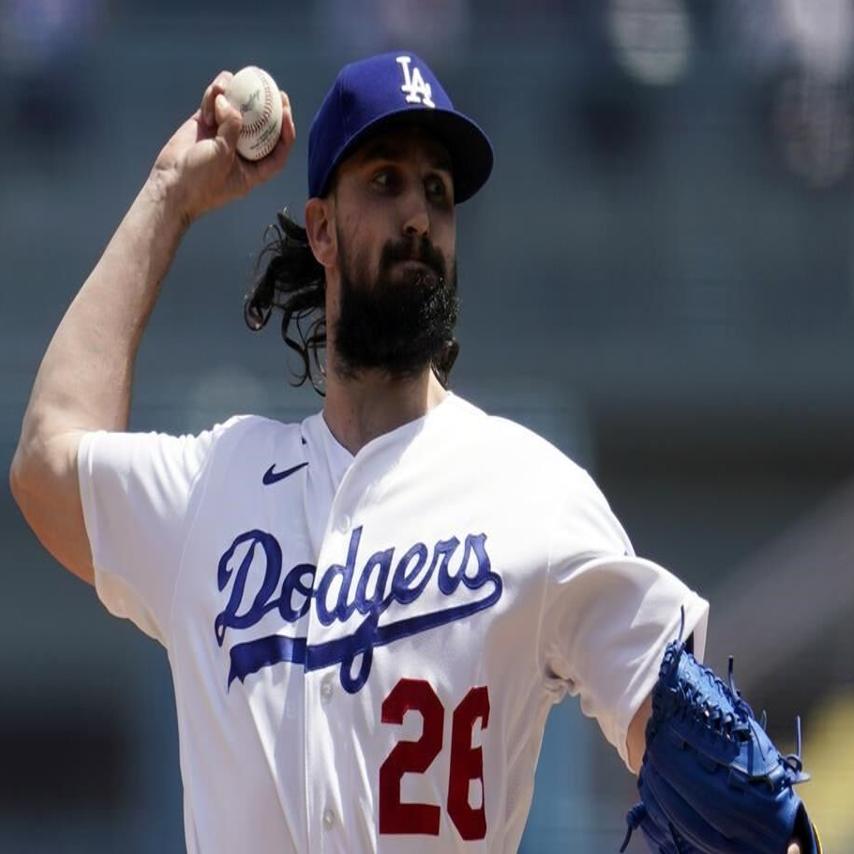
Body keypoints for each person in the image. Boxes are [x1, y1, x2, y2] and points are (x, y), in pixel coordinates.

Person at [10, 52, 813, 853]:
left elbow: (712, 770)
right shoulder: (218, 487)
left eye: (438, 191)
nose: (419, 216)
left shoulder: (531, 493)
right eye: (386, 181)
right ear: (321, 228)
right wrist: (169, 196)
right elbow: (48, 458)